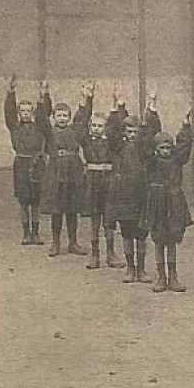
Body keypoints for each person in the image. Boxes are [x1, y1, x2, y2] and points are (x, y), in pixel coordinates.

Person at [136, 95, 194, 294]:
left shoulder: (177, 160)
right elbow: (143, 145)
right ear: (155, 149)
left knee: (172, 240)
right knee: (159, 239)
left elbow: (185, 146)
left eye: (168, 147)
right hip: (156, 203)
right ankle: (161, 277)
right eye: (161, 148)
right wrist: (151, 112)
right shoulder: (150, 162)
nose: (165, 151)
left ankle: (173, 276)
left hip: (174, 203)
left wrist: (186, 125)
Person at [39, 84, 91, 259]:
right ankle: (55, 242)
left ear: (69, 118)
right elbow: (41, 118)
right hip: (55, 172)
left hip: (73, 172)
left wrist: (87, 98)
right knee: (57, 209)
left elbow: (83, 118)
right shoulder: (49, 133)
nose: (62, 118)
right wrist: (44, 95)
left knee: (72, 208)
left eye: (65, 115)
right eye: (58, 115)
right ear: (53, 118)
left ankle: (73, 242)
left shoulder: (74, 131)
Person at [107, 96, 152, 283]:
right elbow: (111, 132)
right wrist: (116, 109)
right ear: (124, 132)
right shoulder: (118, 148)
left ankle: (141, 269)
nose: (132, 135)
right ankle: (130, 269)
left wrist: (151, 109)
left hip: (141, 196)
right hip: (124, 197)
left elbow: (151, 132)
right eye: (129, 131)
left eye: (135, 132)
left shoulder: (143, 149)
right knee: (127, 233)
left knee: (141, 234)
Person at [79, 90, 123, 271]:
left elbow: (115, 127)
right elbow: (80, 125)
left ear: (105, 127)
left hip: (108, 182)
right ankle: (94, 254)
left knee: (109, 218)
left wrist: (114, 106)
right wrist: (87, 99)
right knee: (95, 218)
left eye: (99, 126)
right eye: (93, 126)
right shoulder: (86, 141)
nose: (96, 128)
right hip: (92, 182)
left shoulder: (111, 142)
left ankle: (111, 254)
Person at [4, 76, 47, 245]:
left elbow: (45, 113)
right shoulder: (14, 126)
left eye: (29, 111)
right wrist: (11, 92)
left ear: (33, 112)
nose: (26, 114)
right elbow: (8, 112)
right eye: (22, 111)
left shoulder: (39, 126)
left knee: (36, 200)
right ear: (19, 113)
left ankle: (36, 233)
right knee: (23, 200)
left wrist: (43, 96)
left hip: (37, 164)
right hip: (21, 165)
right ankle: (26, 233)